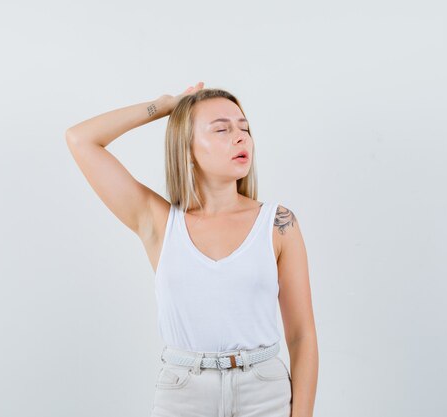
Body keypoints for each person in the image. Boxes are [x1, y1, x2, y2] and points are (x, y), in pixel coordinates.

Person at [65, 82, 318, 417]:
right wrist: (166, 106)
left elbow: (301, 336)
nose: (241, 137)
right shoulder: (158, 222)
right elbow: (81, 139)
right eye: (221, 129)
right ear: (187, 148)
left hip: (264, 393)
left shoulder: (278, 223)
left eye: (244, 128)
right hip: (184, 394)